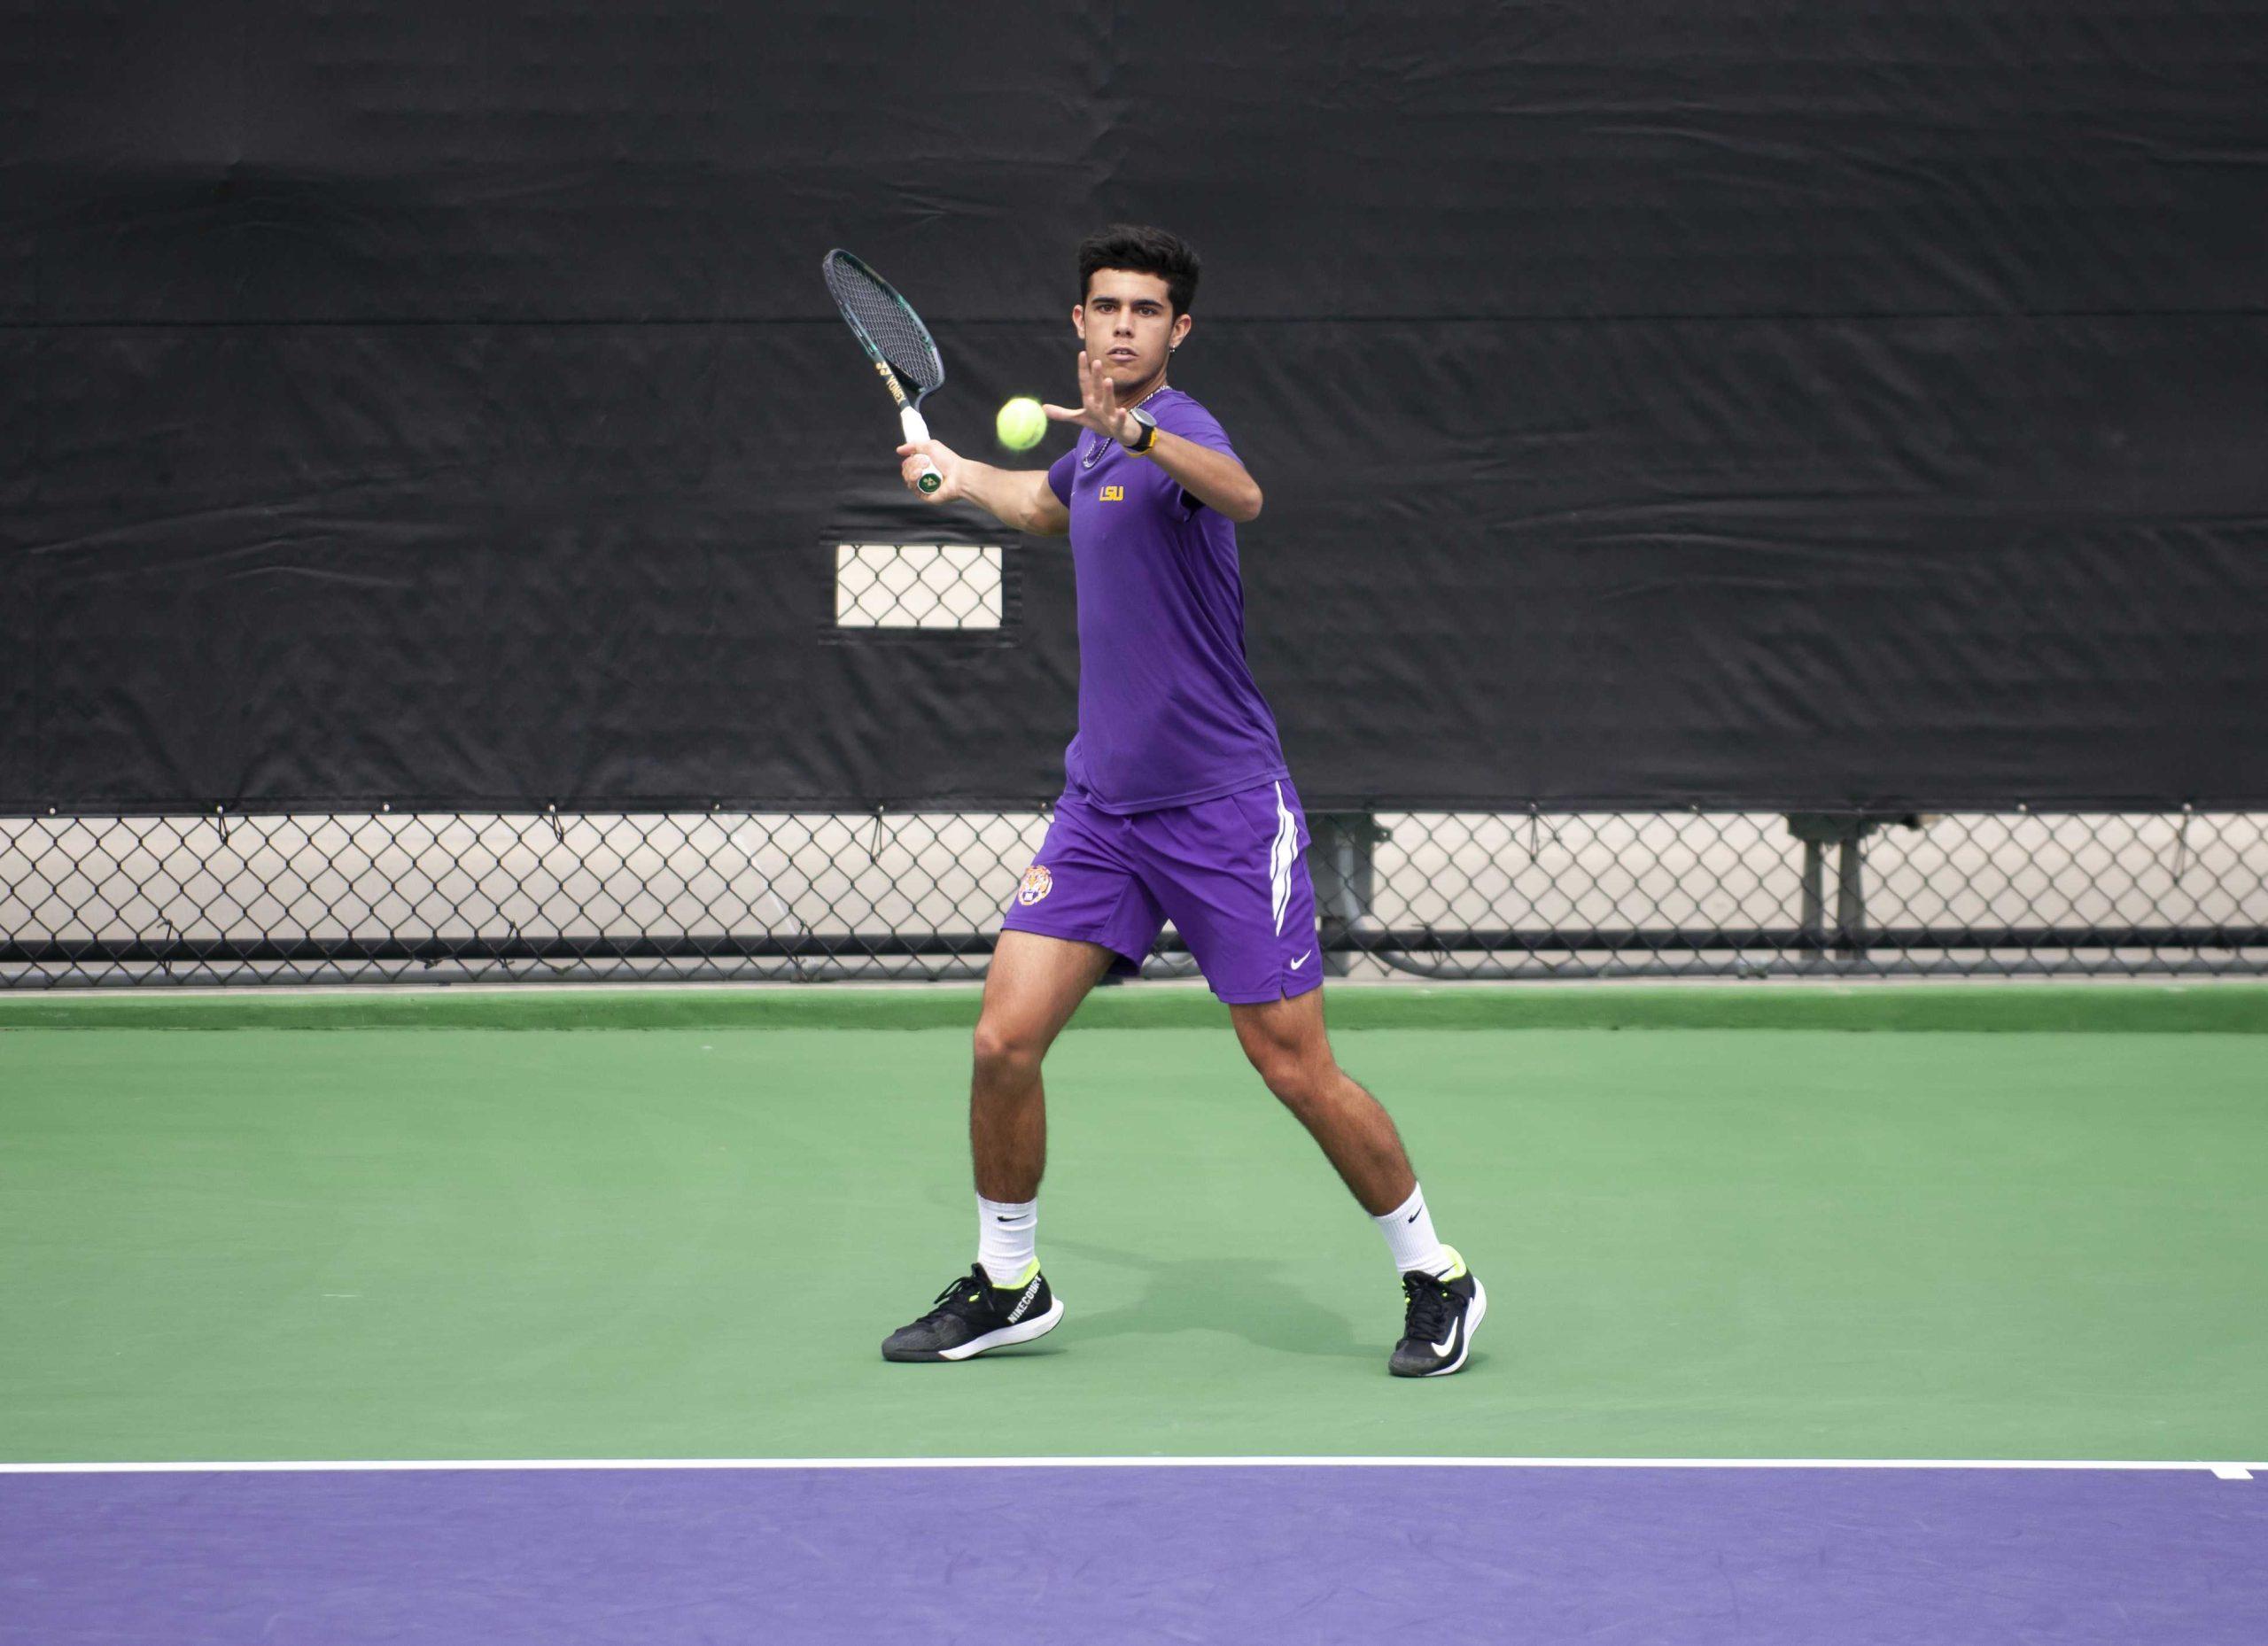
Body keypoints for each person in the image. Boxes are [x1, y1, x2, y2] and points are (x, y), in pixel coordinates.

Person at [879, 224, 1483, 1378]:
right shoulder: (1092, 454)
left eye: (1145, 310)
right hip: (1101, 811)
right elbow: (1047, 507)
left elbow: (1242, 495)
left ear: (1178, 330)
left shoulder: (1174, 429)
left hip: (1222, 811)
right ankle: (1010, 1280)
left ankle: (1436, 1271)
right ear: (1078, 321)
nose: (1121, 324)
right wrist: (957, 476)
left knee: (1292, 1065)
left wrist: (1139, 427)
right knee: (1004, 1039)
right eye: (1105, 305)